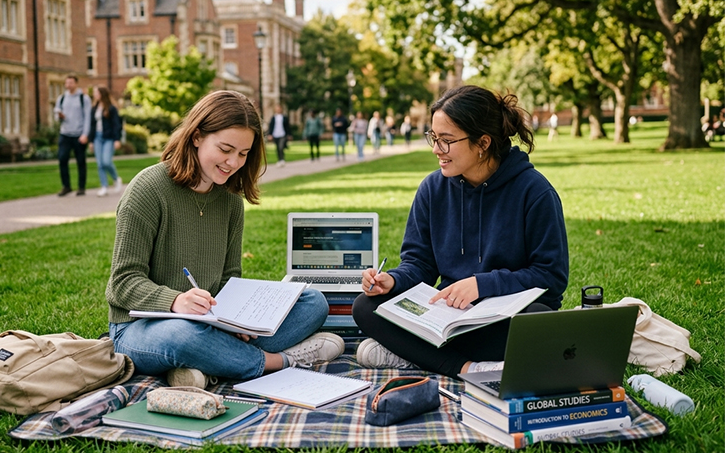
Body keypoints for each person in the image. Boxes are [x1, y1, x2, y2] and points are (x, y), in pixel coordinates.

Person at [106, 90, 344, 387]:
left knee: (312, 301)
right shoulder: (148, 189)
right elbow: (122, 284)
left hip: (210, 323)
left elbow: (229, 279)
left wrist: (238, 320)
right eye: (225, 149)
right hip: (142, 329)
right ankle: (280, 362)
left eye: (243, 154)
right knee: (183, 336)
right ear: (196, 136)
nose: (233, 162)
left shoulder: (230, 201)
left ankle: (206, 366)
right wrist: (176, 301)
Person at [352, 85, 569, 379]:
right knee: (366, 307)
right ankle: (464, 368)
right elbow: (420, 265)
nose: (435, 149)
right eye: (434, 137)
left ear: (482, 143)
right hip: (449, 320)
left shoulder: (535, 192)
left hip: (503, 321)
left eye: (447, 140)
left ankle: (418, 355)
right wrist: (392, 280)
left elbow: (551, 277)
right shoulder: (432, 189)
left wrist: (482, 285)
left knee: (540, 321)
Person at [54, 74, 92, 196]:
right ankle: (66, 186)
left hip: (79, 134)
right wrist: (59, 116)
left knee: (81, 161)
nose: (68, 85)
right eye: (67, 83)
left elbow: (88, 117)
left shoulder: (84, 98)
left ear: (76, 83)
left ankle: (81, 187)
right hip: (65, 133)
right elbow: (56, 115)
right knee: (62, 159)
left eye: (71, 83)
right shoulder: (61, 98)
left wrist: (85, 134)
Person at [88, 85, 123, 197]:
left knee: (106, 161)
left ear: (102, 94)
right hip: (97, 137)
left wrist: (117, 139)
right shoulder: (94, 108)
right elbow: (92, 126)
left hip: (108, 138)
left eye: (96, 93)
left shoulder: (111, 108)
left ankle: (116, 179)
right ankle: (104, 186)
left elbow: (116, 125)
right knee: (100, 164)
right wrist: (91, 141)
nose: (94, 95)